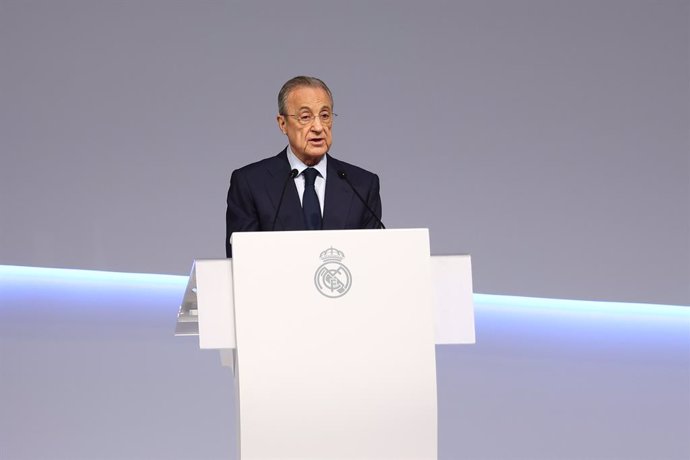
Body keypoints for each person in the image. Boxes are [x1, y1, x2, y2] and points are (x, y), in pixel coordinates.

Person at [225, 76, 383, 257]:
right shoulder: (251, 183)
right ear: (282, 124)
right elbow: (242, 261)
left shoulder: (362, 185)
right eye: (306, 117)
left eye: (325, 116)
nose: (318, 127)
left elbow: (373, 260)